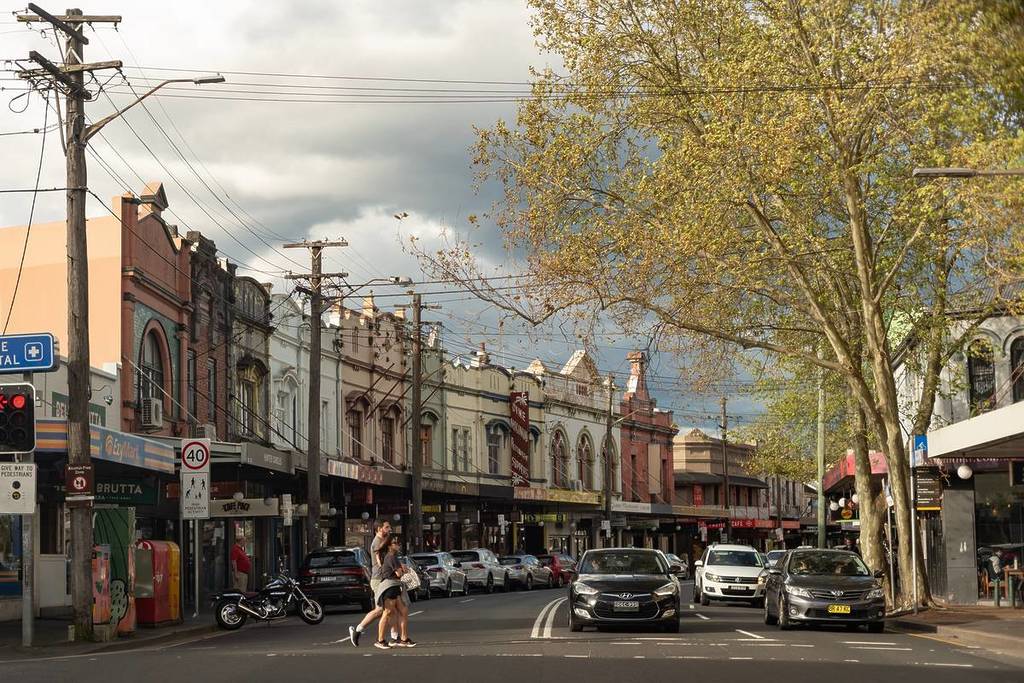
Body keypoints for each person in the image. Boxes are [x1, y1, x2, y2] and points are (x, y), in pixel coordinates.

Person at [349, 520, 399, 647]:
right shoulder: (377, 542)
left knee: (393, 608)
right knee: (381, 609)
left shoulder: (384, 540)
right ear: (379, 529)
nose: (389, 529)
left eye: (389, 527)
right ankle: (358, 629)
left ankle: (395, 637)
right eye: (387, 527)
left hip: (385, 578)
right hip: (378, 579)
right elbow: (380, 560)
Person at [372, 534, 415, 649]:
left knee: (403, 610)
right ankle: (380, 640)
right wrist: (403, 570)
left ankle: (404, 639)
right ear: (390, 545)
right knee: (387, 613)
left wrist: (401, 569)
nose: (398, 545)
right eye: (396, 543)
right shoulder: (391, 556)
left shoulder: (392, 556)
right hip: (389, 586)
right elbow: (399, 574)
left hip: (394, 586)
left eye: (399, 543)